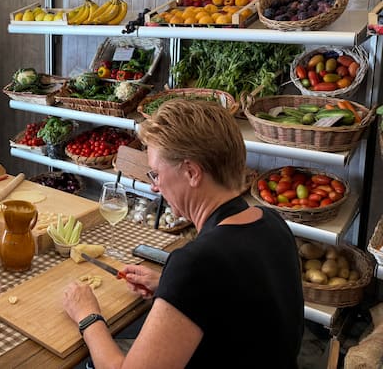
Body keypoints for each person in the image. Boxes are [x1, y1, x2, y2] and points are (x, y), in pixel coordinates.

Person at [63, 100, 304, 368]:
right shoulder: (272, 223)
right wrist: (170, 287)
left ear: (191, 172)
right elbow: (238, 304)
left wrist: (88, 317)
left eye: (156, 174)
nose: (154, 187)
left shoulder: (196, 264)